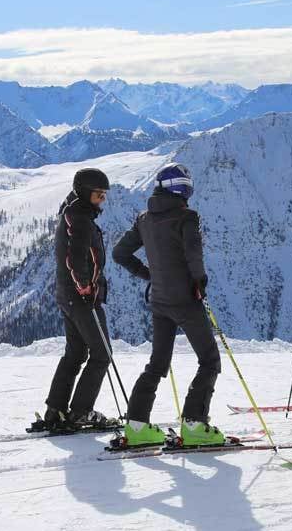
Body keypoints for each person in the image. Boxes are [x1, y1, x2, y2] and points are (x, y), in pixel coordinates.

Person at [113, 162, 223, 447]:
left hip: (159, 301)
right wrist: (199, 281)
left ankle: (136, 427)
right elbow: (193, 252)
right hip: (185, 300)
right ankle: (195, 425)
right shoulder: (187, 217)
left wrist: (148, 274)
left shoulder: (144, 219)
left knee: (157, 364)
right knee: (209, 360)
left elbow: (119, 253)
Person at [42, 168, 114, 430]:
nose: (102, 199)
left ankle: (56, 410)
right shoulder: (80, 217)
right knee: (102, 354)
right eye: (98, 194)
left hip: (68, 295)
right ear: (85, 192)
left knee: (76, 353)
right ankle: (81, 411)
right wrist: (85, 286)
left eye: (104, 194)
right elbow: (76, 257)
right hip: (81, 297)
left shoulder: (74, 212)